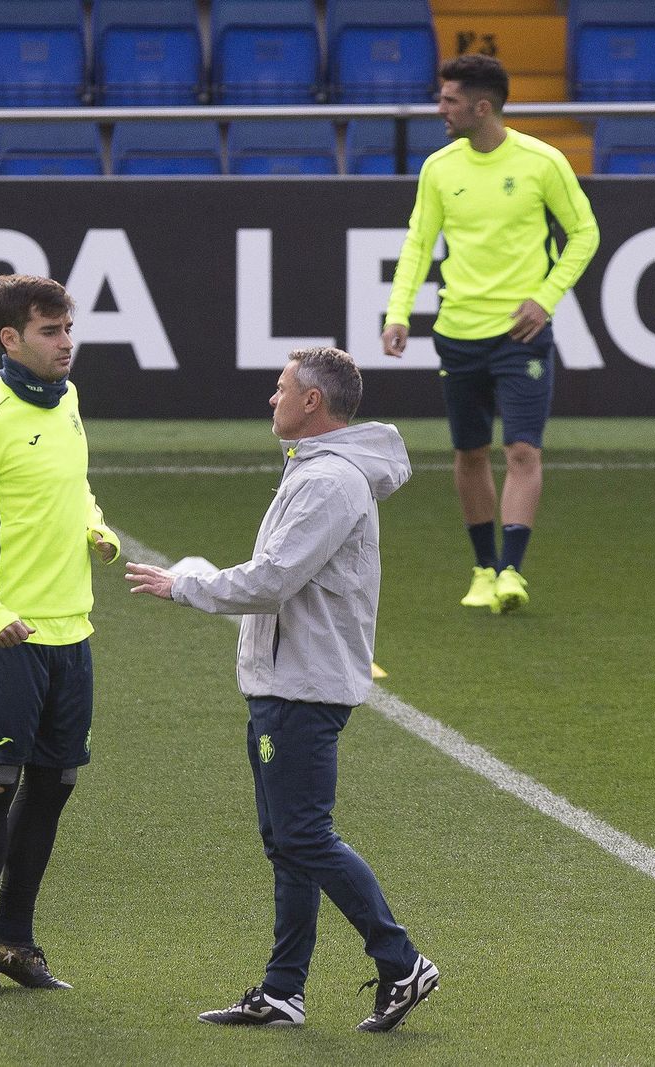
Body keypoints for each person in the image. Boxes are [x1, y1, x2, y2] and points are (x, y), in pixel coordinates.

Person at [126, 347, 438, 1034]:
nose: (272, 399)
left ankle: (401, 959)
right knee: (288, 840)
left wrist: (186, 585)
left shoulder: (329, 483)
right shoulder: (318, 472)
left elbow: (272, 580)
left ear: (312, 403)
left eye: (281, 388)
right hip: (287, 678)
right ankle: (283, 991)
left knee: (302, 834)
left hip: (303, 684)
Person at [0, 274, 120, 998]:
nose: (65, 342)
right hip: (9, 636)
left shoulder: (68, 400)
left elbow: (76, 487)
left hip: (72, 629)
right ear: (10, 339)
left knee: (54, 785)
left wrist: (95, 527)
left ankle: (16, 938)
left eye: (68, 328)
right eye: (50, 330)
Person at [382, 52, 600, 614]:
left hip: (520, 336)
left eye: (450, 99)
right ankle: (482, 567)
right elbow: (416, 243)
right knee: (470, 453)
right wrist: (398, 312)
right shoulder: (439, 168)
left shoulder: (541, 161)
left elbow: (584, 233)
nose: (441, 108)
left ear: (482, 107)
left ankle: (511, 572)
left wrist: (546, 299)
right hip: (457, 332)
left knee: (523, 449)